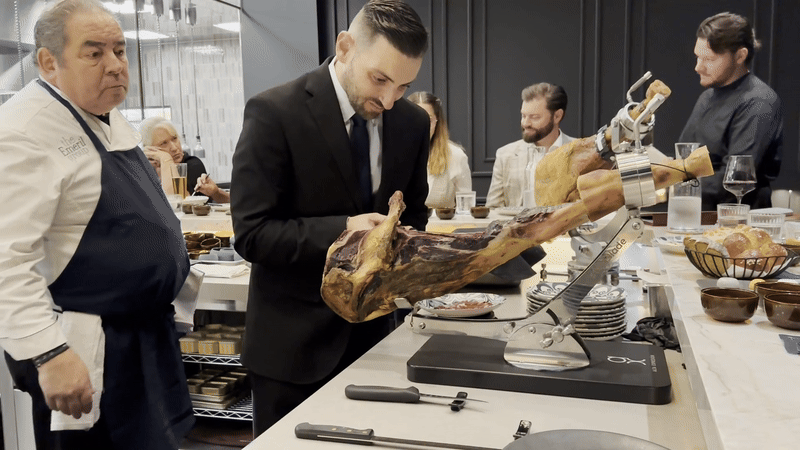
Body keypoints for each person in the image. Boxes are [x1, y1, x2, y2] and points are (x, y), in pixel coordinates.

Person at [0, 1, 195, 448]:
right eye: (94, 53)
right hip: (89, 352)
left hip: (143, 338)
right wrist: (49, 353)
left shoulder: (103, 113)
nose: (115, 66)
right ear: (50, 62)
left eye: (120, 51)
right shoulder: (24, 132)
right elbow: (5, 260)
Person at [231, 0, 430, 435]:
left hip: (377, 344)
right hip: (290, 352)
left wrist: (409, 245)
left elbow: (415, 211)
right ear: (344, 47)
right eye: (379, 79)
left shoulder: (413, 123)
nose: (389, 100)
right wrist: (345, 230)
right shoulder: (273, 113)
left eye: (404, 85)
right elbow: (252, 235)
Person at [679, 12, 783, 210]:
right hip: (698, 213)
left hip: (740, 218)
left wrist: (667, 189)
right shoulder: (707, 97)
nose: (698, 67)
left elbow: (734, 179)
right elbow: (683, 161)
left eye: (708, 59)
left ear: (740, 56)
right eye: (697, 57)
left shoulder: (759, 102)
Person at [486, 83, 574, 208]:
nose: (525, 123)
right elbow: (493, 208)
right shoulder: (505, 155)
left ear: (557, 116)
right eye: (523, 116)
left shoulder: (580, 150)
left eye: (534, 117)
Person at [139, 116, 230, 202]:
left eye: (174, 138)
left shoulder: (192, 164)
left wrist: (166, 160)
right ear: (150, 150)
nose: (174, 148)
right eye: (163, 143)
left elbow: (176, 203)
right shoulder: (143, 171)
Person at [408, 91, 472, 209]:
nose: (421, 126)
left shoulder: (456, 156)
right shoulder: (392, 154)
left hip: (442, 227)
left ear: (437, 121)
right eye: (414, 119)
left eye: (429, 120)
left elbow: (466, 209)